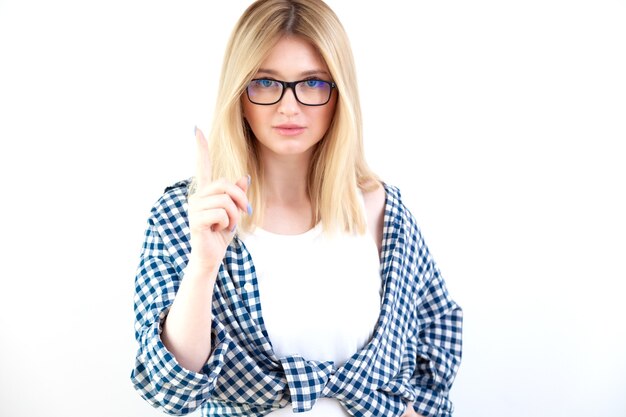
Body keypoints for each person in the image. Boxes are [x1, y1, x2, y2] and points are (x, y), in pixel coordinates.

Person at [130, 1, 463, 416]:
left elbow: (437, 335)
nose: (289, 107)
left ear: (339, 94)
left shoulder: (383, 211)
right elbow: (169, 390)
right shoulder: (189, 214)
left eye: (313, 84)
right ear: (240, 93)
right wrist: (203, 264)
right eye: (266, 83)